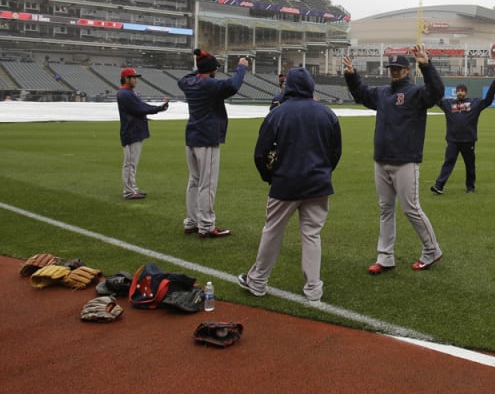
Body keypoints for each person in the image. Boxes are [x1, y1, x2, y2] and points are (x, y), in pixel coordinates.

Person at [239, 68, 342, 303]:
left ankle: (257, 282)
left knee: (272, 231)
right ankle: (314, 289)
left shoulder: (278, 113)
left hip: (285, 182)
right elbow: (335, 152)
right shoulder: (327, 113)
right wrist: (324, 172)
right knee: (312, 235)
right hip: (318, 183)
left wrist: (269, 176)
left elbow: (260, 153)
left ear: (289, 87)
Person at [343, 45, 444, 274]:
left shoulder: (416, 93)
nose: (395, 71)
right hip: (381, 160)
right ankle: (385, 256)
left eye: (399, 68)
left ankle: (432, 249)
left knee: (411, 209)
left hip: (406, 160)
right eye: (392, 68)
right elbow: (361, 94)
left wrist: (426, 66)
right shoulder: (382, 93)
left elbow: (437, 92)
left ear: (407, 70)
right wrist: (351, 76)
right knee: (385, 209)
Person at [177, 49, 248, 239]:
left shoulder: (188, 82)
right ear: (211, 69)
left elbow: (185, 78)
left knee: (194, 182)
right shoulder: (209, 85)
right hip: (207, 138)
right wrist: (241, 67)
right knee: (207, 184)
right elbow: (233, 86)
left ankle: (191, 221)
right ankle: (206, 225)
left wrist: (201, 63)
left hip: (191, 137)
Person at [430, 78, 495, 195]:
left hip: (468, 140)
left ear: (466, 92)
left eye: (462, 91)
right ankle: (439, 186)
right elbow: (435, 99)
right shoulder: (448, 104)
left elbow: (488, 100)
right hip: (453, 140)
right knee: (448, 163)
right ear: (456, 92)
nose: (460, 92)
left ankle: (470, 187)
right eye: (458, 91)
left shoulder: (475, 103)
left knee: (470, 165)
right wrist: (432, 84)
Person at [116, 67, 168, 200]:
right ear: (127, 79)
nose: (135, 80)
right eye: (133, 77)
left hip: (133, 131)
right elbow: (140, 108)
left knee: (131, 163)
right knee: (130, 163)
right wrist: (159, 108)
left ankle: (131, 188)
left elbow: (139, 108)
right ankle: (129, 191)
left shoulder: (127, 92)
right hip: (131, 132)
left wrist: (155, 110)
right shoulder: (125, 93)